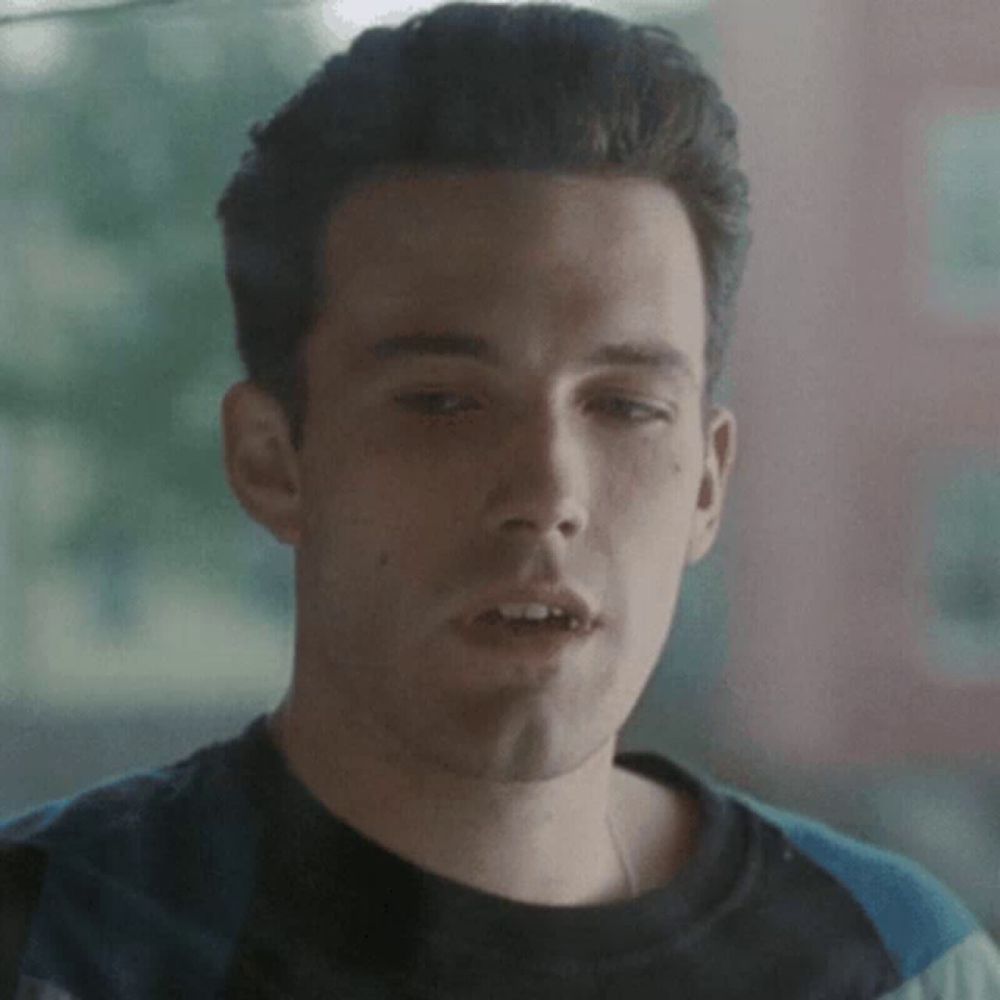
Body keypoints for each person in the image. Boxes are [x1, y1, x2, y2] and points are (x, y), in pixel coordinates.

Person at [1, 3, 998, 997]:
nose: (547, 492)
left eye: (623, 405)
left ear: (705, 481)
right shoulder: (45, 945)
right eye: (443, 401)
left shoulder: (900, 965)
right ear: (272, 459)